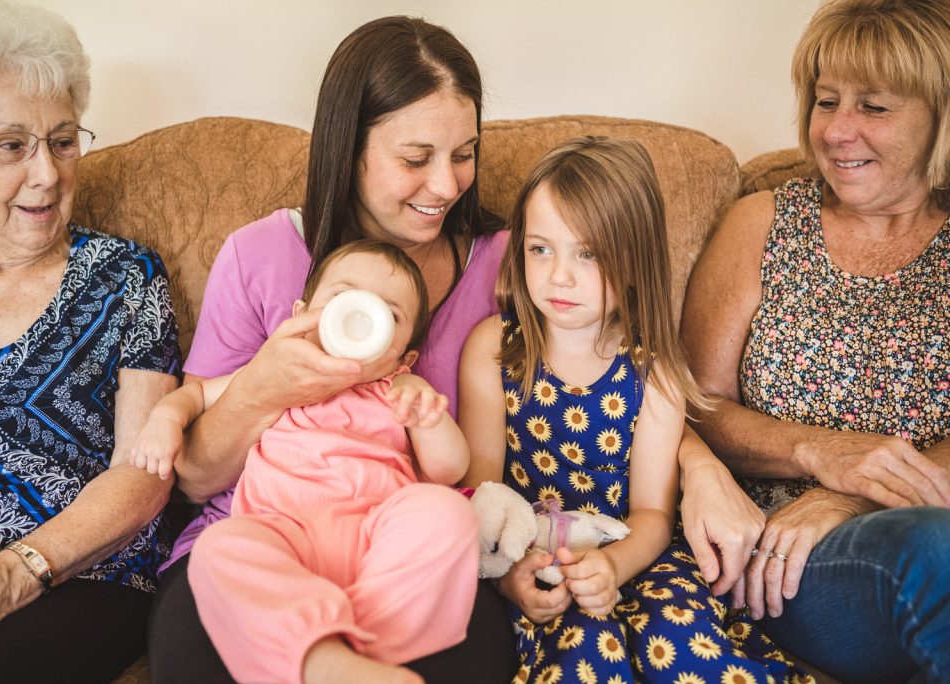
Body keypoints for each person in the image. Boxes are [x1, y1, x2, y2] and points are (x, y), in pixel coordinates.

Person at [148, 15, 766, 684]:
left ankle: (347, 655)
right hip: (270, 532)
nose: (446, 185)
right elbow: (194, 478)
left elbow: (606, 367)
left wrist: (702, 466)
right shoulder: (260, 256)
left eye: (464, 153)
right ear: (347, 147)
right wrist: (266, 385)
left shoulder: (515, 265)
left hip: (406, 553)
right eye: (416, 158)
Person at [460, 136, 806, 682]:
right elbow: (485, 499)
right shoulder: (493, 350)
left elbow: (651, 516)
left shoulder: (655, 370)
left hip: (638, 556)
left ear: (632, 260)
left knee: (685, 653)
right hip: (539, 557)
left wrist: (613, 567)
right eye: (541, 248)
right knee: (587, 655)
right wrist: (509, 576)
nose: (559, 276)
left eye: (588, 253)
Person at [682, 0, 950, 681]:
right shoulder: (761, 224)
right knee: (933, 552)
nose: (836, 130)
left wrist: (861, 492)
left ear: (939, 118)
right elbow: (695, 404)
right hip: (787, 559)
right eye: (826, 101)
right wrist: (819, 453)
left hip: (910, 525)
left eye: (875, 107)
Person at [0, 2, 180, 682]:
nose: (47, 173)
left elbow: (143, 474)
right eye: (13, 145)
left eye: (63, 141)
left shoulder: (126, 277)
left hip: (77, 583)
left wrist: (8, 576)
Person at [133, 239, 478, 683]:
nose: (362, 317)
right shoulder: (276, 371)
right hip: (281, 535)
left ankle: (358, 655)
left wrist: (428, 416)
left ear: (404, 355)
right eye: (344, 299)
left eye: (388, 316)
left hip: (374, 541)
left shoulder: (400, 389)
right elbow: (196, 394)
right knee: (220, 550)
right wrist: (164, 419)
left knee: (447, 512)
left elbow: (448, 470)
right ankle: (320, 658)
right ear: (301, 316)